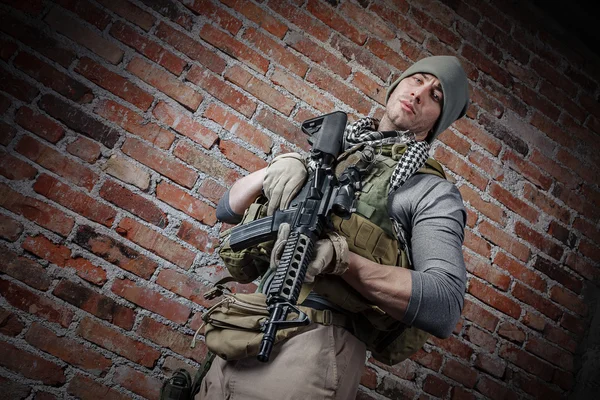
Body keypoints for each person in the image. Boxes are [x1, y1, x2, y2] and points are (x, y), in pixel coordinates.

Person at [198, 55, 470, 400]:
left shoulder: (427, 189)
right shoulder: (333, 153)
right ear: (398, 84)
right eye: (418, 80)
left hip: (312, 347)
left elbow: (444, 304)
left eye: (436, 96)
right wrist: (279, 167)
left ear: (437, 122)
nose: (419, 93)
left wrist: (342, 260)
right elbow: (227, 209)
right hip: (244, 327)